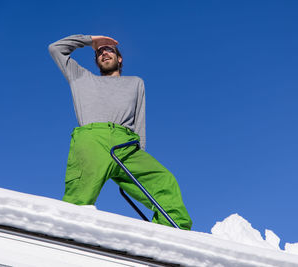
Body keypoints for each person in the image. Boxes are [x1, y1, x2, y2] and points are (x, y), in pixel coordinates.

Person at [48, 34, 192, 230]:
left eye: (109, 50)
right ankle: (62, 242)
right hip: (92, 139)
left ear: (119, 58)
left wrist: (140, 151)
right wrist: (91, 40)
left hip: (126, 145)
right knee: (78, 199)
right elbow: (56, 49)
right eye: (100, 52)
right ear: (96, 60)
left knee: (164, 181)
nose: (104, 53)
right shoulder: (81, 77)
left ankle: (173, 235)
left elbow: (139, 120)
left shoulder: (136, 83)